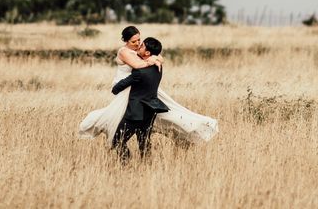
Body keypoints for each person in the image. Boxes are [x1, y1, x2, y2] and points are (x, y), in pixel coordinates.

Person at [78, 26, 218, 146]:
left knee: (149, 121)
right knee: (114, 116)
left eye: (139, 40)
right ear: (126, 41)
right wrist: (152, 59)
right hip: (127, 84)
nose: (138, 43)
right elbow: (137, 65)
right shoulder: (124, 51)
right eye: (134, 41)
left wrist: (156, 58)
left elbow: (157, 58)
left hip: (138, 87)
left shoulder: (142, 55)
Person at [110, 37, 168, 162]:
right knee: (144, 142)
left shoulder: (140, 71)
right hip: (150, 110)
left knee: (117, 141)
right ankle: (146, 166)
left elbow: (119, 87)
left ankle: (126, 163)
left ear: (147, 53)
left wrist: (115, 89)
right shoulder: (158, 67)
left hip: (135, 112)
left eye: (142, 46)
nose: (138, 47)